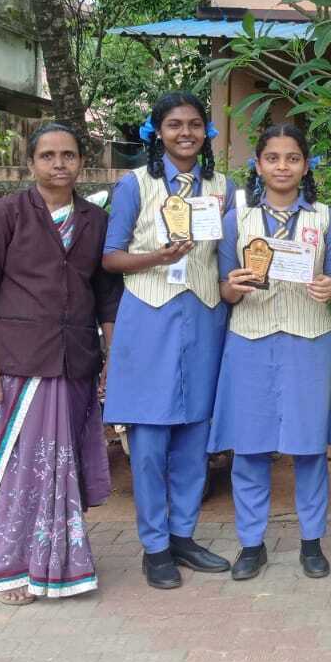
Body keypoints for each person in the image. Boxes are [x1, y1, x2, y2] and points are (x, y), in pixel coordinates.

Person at [0, 123, 120, 603]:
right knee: (22, 469)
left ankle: (60, 562)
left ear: (82, 162)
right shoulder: (5, 215)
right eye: (48, 155)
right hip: (19, 363)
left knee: (62, 467)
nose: (59, 164)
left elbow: (106, 298)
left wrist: (111, 358)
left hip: (75, 362)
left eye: (68, 155)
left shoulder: (95, 220)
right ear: (31, 162)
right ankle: (12, 569)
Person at [102, 92, 232, 589]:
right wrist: (157, 257)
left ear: (206, 132)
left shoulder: (223, 186)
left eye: (195, 124)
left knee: (195, 435)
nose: (185, 133)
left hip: (203, 314)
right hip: (149, 316)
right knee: (150, 440)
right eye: (175, 125)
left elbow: (226, 255)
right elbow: (110, 256)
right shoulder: (134, 185)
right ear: (157, 132)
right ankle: (155, 546)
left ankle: (183, 536)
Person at [210, 124, 331, 582]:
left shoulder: (325, 219)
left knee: (309, 448)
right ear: (258, 165)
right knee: (250, 449)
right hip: (250, 340)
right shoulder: (237, 219)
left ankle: (312, 542)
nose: (282, 167)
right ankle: (252, 544)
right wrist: (233, 286)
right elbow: (224, 288)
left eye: (292, 158)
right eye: (272, 158)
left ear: (306, 166)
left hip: (309, 340)